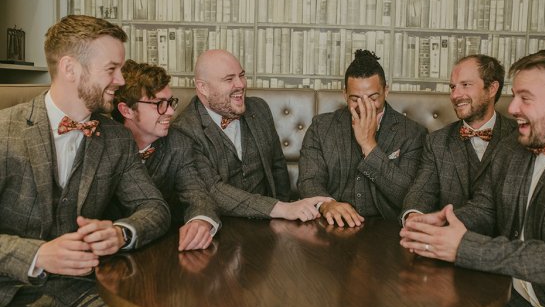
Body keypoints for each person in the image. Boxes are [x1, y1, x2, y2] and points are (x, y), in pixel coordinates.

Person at [400, 49, 545, 307]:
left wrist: (464, 247)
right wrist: (441, 222)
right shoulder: (514, 145)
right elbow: (488, 207)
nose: (514, 106)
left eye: (525, 97)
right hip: (511, 303)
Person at [0, 15, 173, 307]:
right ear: (70, 68)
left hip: (83, 293)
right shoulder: (3, 131)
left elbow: (155, 208)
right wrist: (37, 256)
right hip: (7, 297)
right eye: (111, 69)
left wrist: (121, 233)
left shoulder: (116, 139)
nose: (121, 80)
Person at [173, 49, 328, 221]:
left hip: (270, 222)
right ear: (203, 87)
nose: (240, 84)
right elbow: (213, 190)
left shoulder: (259, 108)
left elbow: (278, 166)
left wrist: (285, 216)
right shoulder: (185, 130)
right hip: (223, 225)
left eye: (242, 75)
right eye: (229, 79)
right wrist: (281, 209)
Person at [298, 50, 427, 227]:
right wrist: (326, 204)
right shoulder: (321, 127)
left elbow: (410, 195)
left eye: (373, 98)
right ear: (344, 94)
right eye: (355, 99)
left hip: (387, 230)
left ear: (386, 91)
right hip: (333, 227)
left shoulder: (413, 133)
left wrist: (369, 145)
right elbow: (308, 180)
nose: (364, 106)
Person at [113, 59, 221, 251]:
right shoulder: (104, 143)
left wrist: (201, 221)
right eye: (159, 104)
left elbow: (197, 194)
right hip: (103, 252)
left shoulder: (178, 142)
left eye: (170, 102)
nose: (171, 111)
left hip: (161, 248)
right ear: (126, 110)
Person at [402, 55, 517, 217]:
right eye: (453, 87)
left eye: (466, 85)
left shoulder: (519, 137)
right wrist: (413, 215)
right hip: (448, 238)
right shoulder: (436, 142)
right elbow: (422, 191)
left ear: (492, 88)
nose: (455, 95)